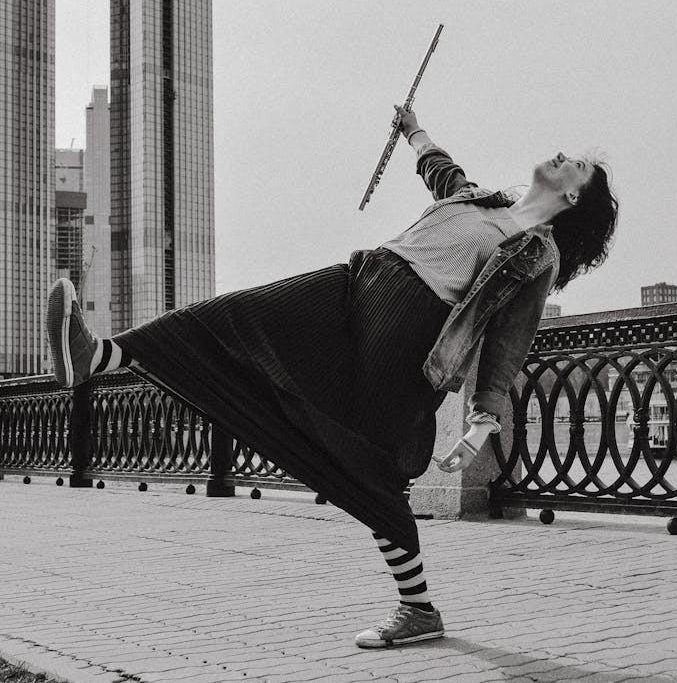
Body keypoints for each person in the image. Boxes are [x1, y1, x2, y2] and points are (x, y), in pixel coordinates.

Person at [46, 106, 618, 649]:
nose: (565, 155)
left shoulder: (535, 253)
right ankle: (101, 357)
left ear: (572, 194)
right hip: (360, 279)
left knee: (366, 467)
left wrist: (483, 417)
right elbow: (442, 171)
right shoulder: (481, 199)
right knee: (242, 312)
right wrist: (415, 131)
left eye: (579, 164)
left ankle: (418, 609)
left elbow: (508, 340)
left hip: (407, 329)